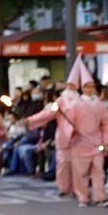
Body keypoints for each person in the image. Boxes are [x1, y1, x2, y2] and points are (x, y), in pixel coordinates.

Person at [25, 57, 81, 196]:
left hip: (80, 136)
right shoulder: (61, 101)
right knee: (63, 163)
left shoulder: (84, 101)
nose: (71, 87)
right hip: (64, 136)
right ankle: (64, 188)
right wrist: (31, 120)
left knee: (78, 165)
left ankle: (79, 190)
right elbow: (48, 113)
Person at [68, 60, 108, 208]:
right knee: (80, 173)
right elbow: (68, 124)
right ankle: (83, 197)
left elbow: (106, 123)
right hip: (80, 143)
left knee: (98, 172)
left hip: (96, 142)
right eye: (87, 86)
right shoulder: (75, 105)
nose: (90, 89)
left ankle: (100, 197)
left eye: (92, 86)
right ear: (82, 88)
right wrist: (71, 132)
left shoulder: (99, 104)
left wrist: (106, 140)